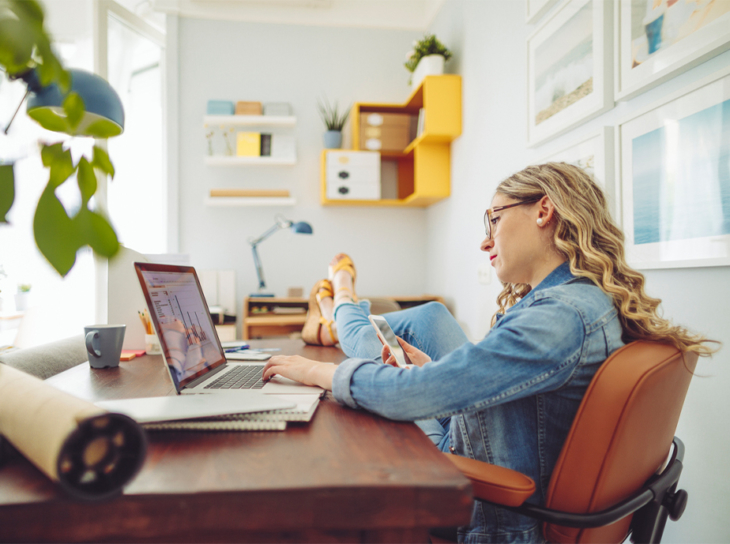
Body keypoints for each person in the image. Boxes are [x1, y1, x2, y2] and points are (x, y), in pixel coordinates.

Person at [262, 162, 714, 544]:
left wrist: (316, 373)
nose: (485, 241)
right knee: (429, 318)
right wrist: (438, 370)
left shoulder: (558, 319)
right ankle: (339, 312)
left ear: (543, 211)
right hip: (496, 442)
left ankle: (339, 305)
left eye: (493, 220)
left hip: (499, 509)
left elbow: (410, 396)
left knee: (346, 431)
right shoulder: (579, 300)